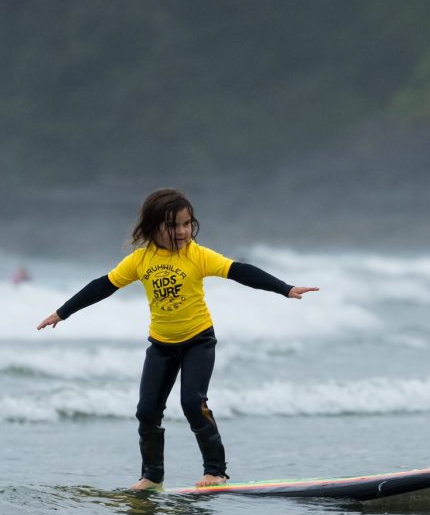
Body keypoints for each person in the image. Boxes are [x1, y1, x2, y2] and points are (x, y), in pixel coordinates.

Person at [37, 188, 318, 491]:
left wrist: (285, 288)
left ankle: (216, 471)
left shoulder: (196, 255)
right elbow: (102, 286)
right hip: (161, 346)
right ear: (153, 227)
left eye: (187, 223)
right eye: (173, 226)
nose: (183, 231)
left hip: (198, 341)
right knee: (146, 411)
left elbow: (240, 271)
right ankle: (152, 476)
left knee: (192, 404)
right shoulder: (140, 260)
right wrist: (62, 312)